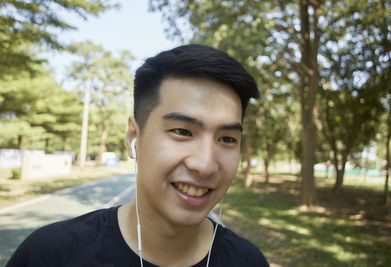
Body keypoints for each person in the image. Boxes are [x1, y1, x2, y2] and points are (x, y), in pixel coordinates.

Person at [7, 44, 269, 267]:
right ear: (134, 136)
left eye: (226, 139)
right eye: (182, 131)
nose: (205, 165)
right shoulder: (50, 255)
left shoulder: (248, 261)